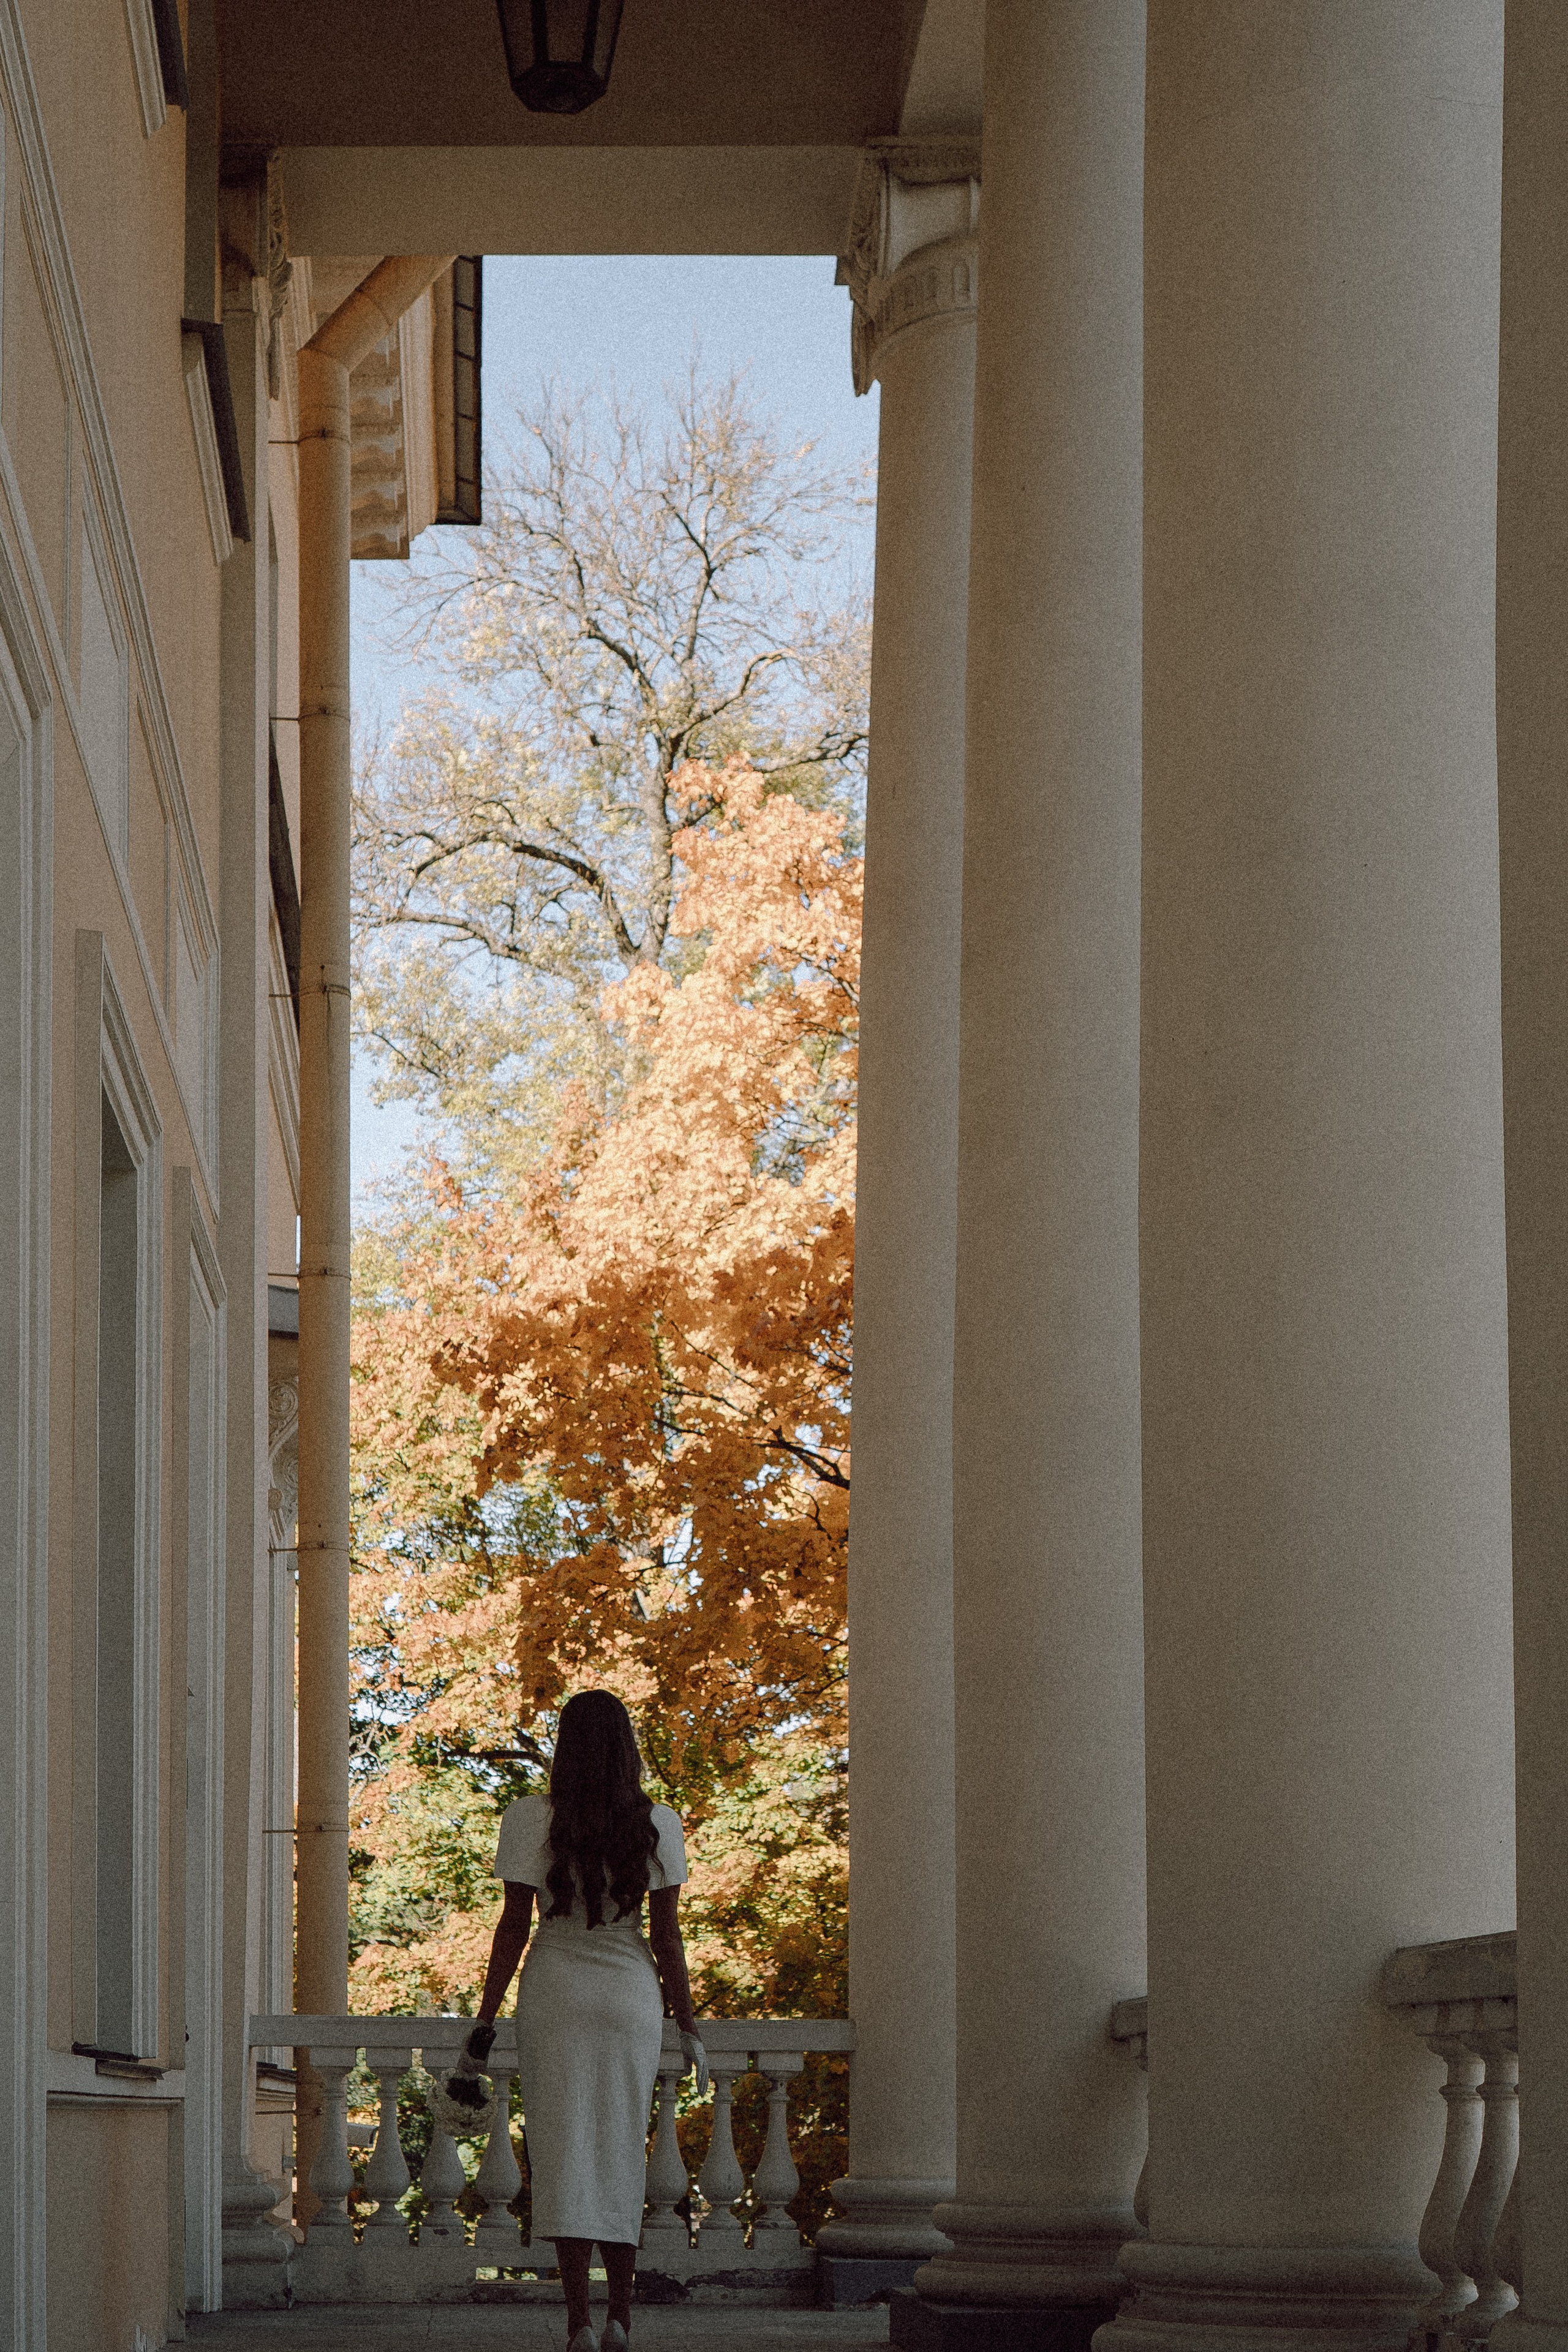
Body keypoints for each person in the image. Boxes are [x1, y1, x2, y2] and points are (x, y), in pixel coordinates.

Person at [460, 1690, 710, 2352]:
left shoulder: (529, 1818)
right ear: (626, 1747)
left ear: (565, 1747)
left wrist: (483, 2024)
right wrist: (688, 2027)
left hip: (556, 1992)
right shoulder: (659, 1823)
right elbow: (668, 1939)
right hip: (629, 1997)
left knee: (562, 2151)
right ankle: (621, 2319)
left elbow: (512, 1929)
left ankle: (578, 2325)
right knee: (622, 2149)